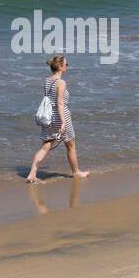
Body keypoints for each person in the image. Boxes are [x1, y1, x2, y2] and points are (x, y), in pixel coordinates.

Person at [25, 54, 89, 183]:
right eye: (66, 64)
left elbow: (52, 101)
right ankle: (76, 172)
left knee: (46, 146)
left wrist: (65, 109)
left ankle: (32, 174)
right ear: (60, 66)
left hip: (48, 118)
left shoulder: (47, 81)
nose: (67, 66)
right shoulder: (61, 82)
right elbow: (59, 103)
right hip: (60, 117)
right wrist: (64, 121)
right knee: (70, 146)